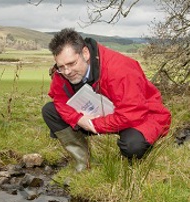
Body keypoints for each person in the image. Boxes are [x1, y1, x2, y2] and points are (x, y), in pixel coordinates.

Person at [42, 28, 171, 171]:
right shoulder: (62, 73)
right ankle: (84, 162)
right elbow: (59, 99)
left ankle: (133, 161)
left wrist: (94, 124)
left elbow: (131, 114)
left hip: (139, 116)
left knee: (133, 146)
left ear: (85, 53)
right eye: (61, 66)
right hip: (96, 114)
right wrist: (78, 119)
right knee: (50, 111)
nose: (67, 72)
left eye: (72, 64)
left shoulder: (121, 70)